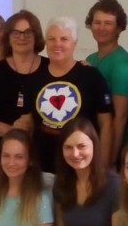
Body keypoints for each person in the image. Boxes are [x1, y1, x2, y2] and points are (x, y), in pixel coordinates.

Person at [41, 118, 120, 226]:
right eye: (68, 147)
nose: (75, 154)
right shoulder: (61, 185)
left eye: (81, 146)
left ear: (94, 145)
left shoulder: (115, 187)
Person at [25, 16, 113, 172]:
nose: (57, 44)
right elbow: (30, 124)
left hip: (82, 168)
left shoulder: (91, 76)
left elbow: (106, 124)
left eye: (64, 39)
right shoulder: (35, 78)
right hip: (43, 168)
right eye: (51, 39)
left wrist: (103, 165)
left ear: (75, 43)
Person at [0, 10, 49, 164]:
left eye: (28, 32)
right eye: (16, 33)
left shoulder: (51, 68)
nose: (22, 37)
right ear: (8, 37)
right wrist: (13, 131)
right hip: (3, 157)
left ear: (37, 36)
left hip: (43, 157)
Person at [85, 0, 128, 164]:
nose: (101, 28)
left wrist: (110, 163)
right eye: (97, 22)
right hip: (93, 143)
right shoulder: (91, 59)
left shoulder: (122, 65)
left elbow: (120, 117)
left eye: (108, 23)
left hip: (115, 150)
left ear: (118, 28)